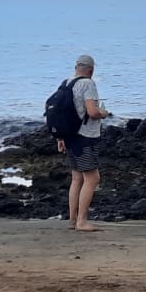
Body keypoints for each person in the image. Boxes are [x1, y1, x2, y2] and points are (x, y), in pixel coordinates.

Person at [58, 54, 111, 232]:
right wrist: (104, 113)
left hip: (70, 135)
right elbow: (92, 112)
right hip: (85, 136)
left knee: (77, 178)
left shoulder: (66, 83)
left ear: (76, 67)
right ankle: (82, 221)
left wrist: (60, 137)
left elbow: (59, 113)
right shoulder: (88, 84)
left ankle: (73, 220)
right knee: (93, 178)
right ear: (91, 69)